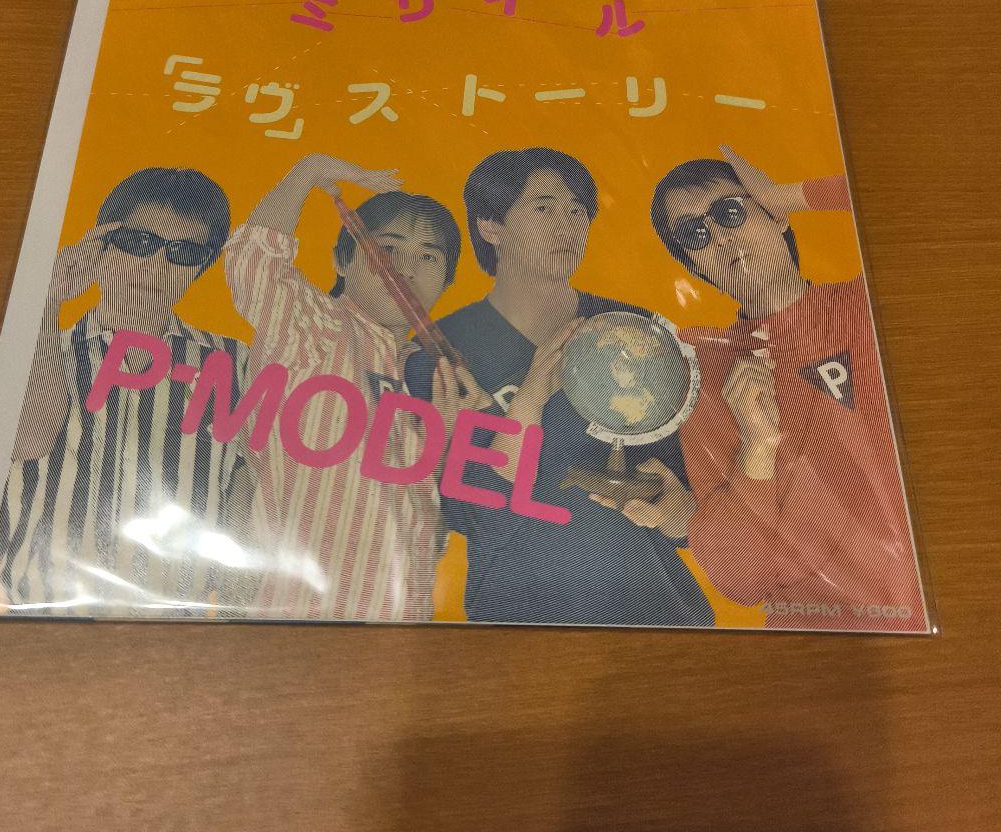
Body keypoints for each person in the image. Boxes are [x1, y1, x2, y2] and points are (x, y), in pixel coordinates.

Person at [406, 148, 714, 627]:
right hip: (520, 619)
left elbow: (694, 505)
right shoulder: (439, 352)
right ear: (491, 226)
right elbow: (465, 517)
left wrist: (673, 511)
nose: (567, 227)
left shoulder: (636, 331)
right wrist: (529, 399)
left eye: (577, 212)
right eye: (544, 208)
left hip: (657, 609)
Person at [642, 145, 926, 631]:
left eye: (729, 212)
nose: (718, 236)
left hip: (947, 595)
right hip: (823, 636)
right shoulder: (704, 371)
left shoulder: (865, 303)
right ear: (695, 266)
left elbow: (931, 202)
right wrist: (755, 449)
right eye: (694, 234)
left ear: (774, 217)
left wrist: (792, 196)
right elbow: (741, 580)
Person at [224, 153, 480, 622]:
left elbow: (427, 527)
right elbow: (253, 264)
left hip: (401, 623)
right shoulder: (311, 326)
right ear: (342, 259)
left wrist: (444, 445)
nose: (405, 269)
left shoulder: (428, 375)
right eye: (387, 248)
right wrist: (308, 171)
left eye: (428, 256)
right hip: (299, 619)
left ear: (447, 281)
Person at [0, 167, 255, 616]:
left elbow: (250, 505)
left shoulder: (236, 364)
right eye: (139, 242)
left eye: (184, 252)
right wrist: (47, 301)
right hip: (35, 619)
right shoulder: (36, 344)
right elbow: (29, 439)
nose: (155, 265)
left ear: (202, 267)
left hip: (175, 628)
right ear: (101, 242)